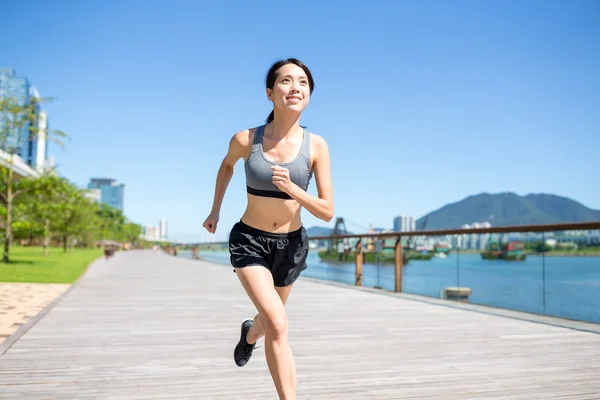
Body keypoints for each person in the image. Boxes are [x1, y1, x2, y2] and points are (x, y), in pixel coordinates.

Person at [202, 58, 334, 400]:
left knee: (269, 320)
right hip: (250, 242)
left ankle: (248, 336)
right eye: (286, 81)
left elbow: (327, 212)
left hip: (291, 246)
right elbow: (226, 166)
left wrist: (294, 190)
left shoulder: (316, 146)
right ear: (270, 93)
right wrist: (215, 209)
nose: (295, 88)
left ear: (309, 94)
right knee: (278, 322)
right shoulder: (246, 139)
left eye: (303, 83)